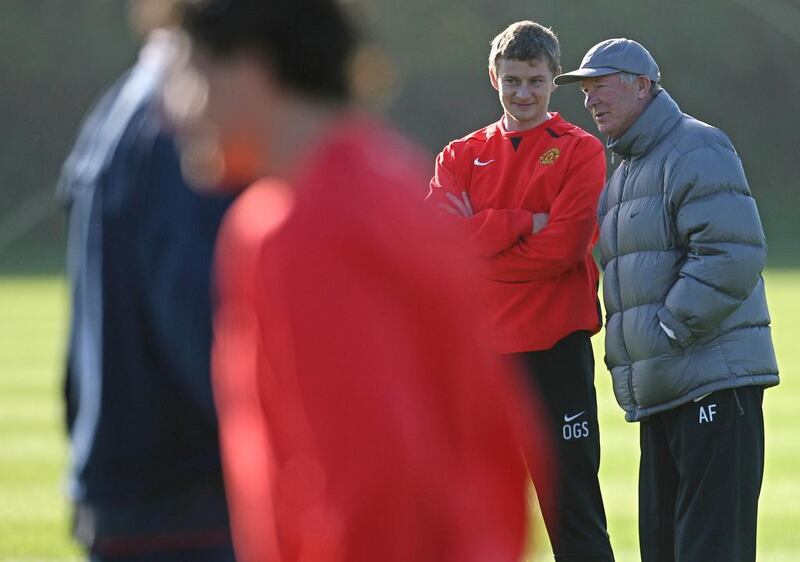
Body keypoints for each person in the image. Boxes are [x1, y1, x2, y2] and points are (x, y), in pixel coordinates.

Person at [169, 1, 547, 561]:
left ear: (251, 68)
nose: (178, 108)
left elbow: (374, 484)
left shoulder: (307, 226)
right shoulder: (389, 177)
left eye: (190, 72)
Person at [555, 38, 780, 561]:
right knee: (663, 548)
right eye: (585, 92)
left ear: (643, 86)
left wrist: (670, 330)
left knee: (709, 549)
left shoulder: (695, 146)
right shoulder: (627, 171)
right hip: (664, 392)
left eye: (601, 87)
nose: (590, 102)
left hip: (711, 386)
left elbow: (731, 254)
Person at [428, 20, 615, 562]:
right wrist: (524, 221)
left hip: (556, 349)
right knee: (471, 509)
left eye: (535, 80)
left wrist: (479, 241)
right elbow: (439, 252)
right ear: (494, 78)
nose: (523, 93)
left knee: (572, 508)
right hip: (479, 359)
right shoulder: (460, 155)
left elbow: (565, 248)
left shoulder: (581, 152)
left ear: (555, 80)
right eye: (513, 80)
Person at [58, 4, 235, 560]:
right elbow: (206, 334)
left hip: (140, 496)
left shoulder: (126, 101)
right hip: (186, 504)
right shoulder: (183, 120)